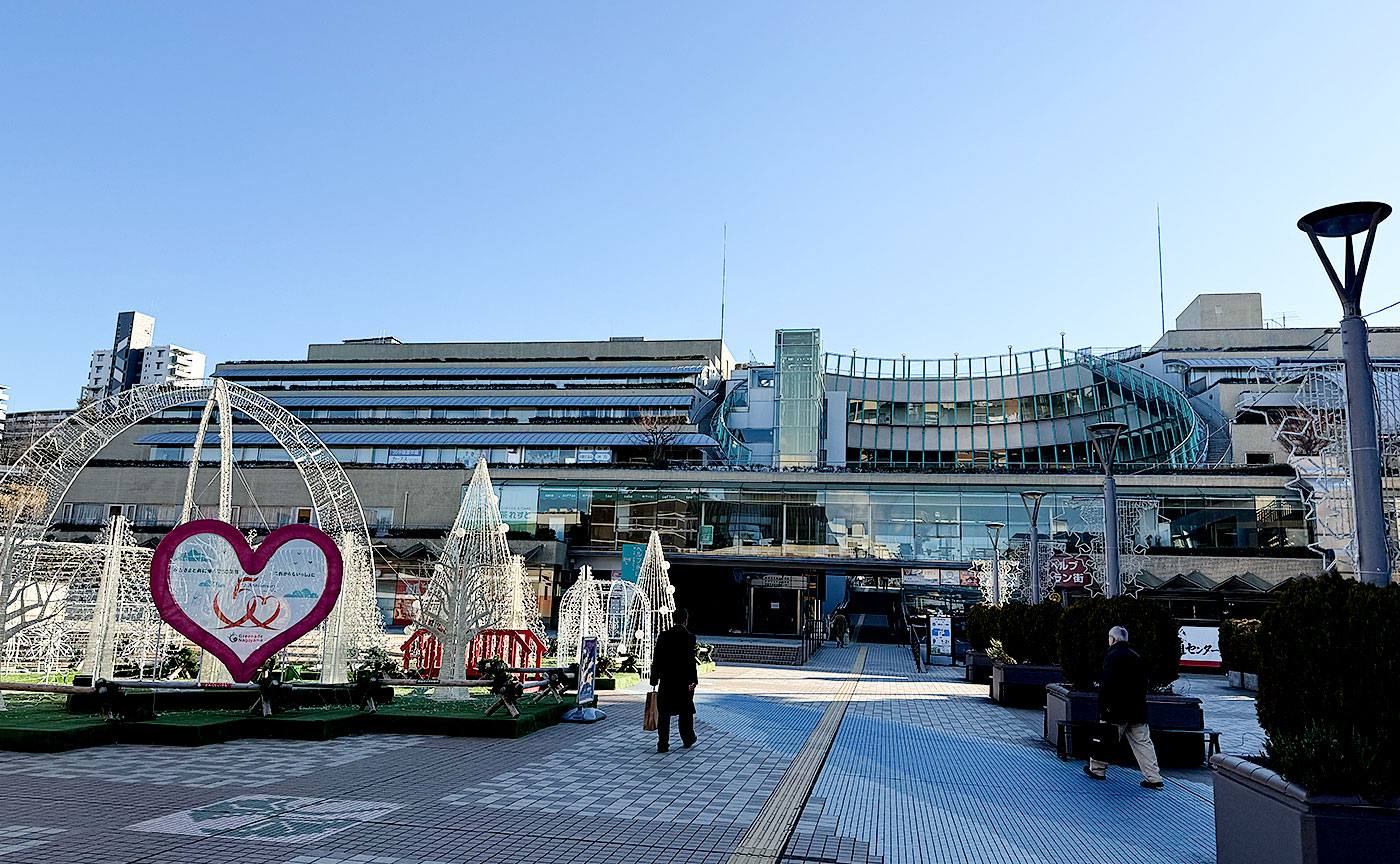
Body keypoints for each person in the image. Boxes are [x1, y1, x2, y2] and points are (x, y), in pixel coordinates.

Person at [1084, 625, 1164, 789]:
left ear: (1112, 639)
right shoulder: (1136, 656)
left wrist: (1103, 707)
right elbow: (1144, 683)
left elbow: (1106, 684)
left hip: (1116, 710)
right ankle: (1154, 777)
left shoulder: (1112, 656)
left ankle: (1097, 770)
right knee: (1143, 743)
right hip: (1137, 710)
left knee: (1105, 739)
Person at [650, 607, 698, 753]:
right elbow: (690, 661)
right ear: (686, 620)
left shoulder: (663, 636)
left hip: (667, 679)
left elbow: (657, 658)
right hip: (683, 681)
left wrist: (654, 678)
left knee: (664, 713)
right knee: (685, 710)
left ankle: (663, 743)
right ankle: (687, 738)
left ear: (673, 619)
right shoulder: (690, 637)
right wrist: (693, 680)